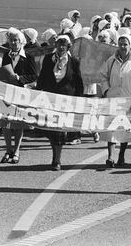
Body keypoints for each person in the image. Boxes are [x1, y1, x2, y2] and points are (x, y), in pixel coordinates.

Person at [36, 35, 83, 171]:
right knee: (52, 130)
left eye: (64, 45)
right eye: (59, 44)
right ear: (55, 45)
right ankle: (54, 155)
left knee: (60, 131)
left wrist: (79, 100)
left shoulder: (74, 62)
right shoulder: (48, 59)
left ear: (68, 47)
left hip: (66, 100)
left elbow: (78, 82)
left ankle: (57, 159)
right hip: (50, 99)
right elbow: (42, 78)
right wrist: (37, 94)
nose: (61, 47)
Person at [100, 34, 131, 168]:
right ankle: (110, 157)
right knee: (111, 128)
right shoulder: (111, 61)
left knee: (126, 129)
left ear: (130, 45)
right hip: (112, 99)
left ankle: (121, 156)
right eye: (120, 44)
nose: (122, 47)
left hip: (128, 100)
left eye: (125, 44)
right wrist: (106, 90)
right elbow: (103, 76)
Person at [1, 28, 37, 164]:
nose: (13, 42)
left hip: (21, 93)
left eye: (16, 40)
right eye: (11, 40)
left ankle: (16, 150)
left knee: (18, 124)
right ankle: (8, 149)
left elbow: (33, 75)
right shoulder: (6, 55)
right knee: (5, 122)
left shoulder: (28, 56)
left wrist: (19, 78)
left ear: (21, 42)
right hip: (7, 92)